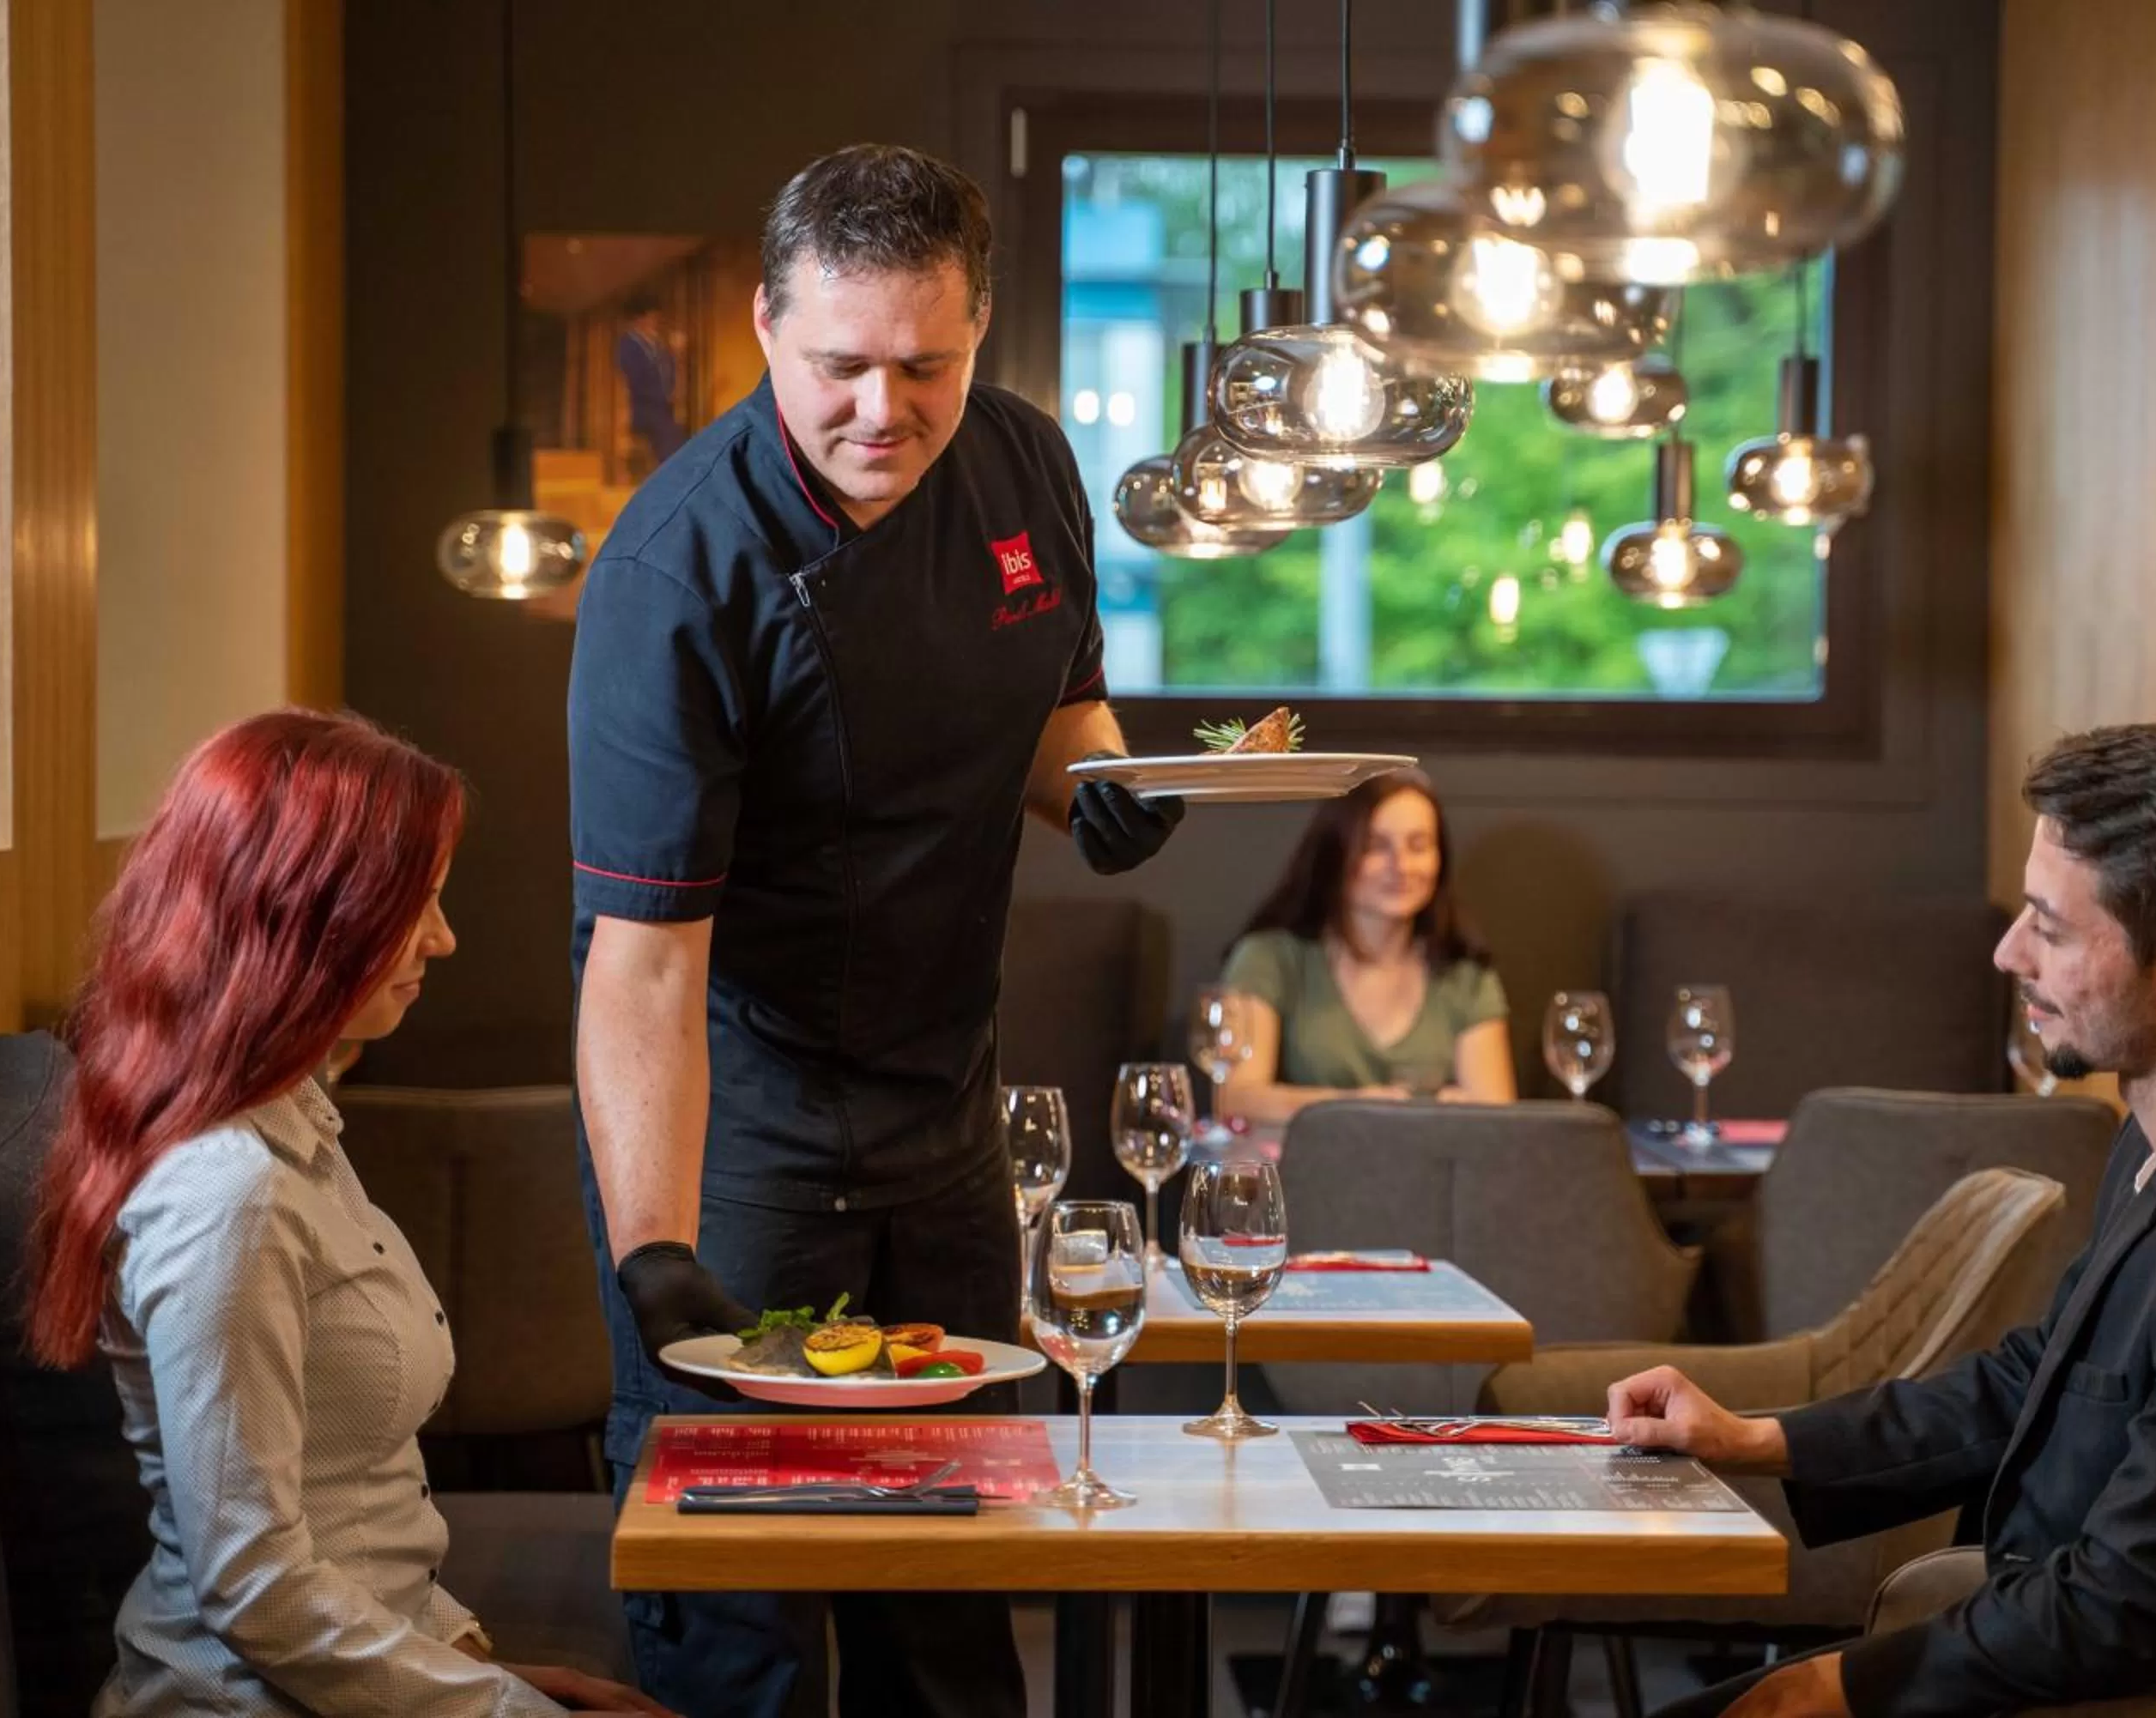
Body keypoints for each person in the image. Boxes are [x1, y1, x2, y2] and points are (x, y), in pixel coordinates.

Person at [566, 144, 1184, 1718]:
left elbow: (1057, 709)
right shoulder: (675, 567)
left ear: (981, 335)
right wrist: (654, 1245)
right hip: (749, 1136)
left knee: (959, 1592)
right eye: (840, 365)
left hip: (948, 1120)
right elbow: (642, 957)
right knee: (753, 1612)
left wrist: (1103, 785)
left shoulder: (1026, 467)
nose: (881, 410)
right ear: (768, 328)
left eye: (929, 366)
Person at [1610, 719, 2156, 1718]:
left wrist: (1839, 1684)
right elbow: (2047, 1372)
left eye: (2050, 927)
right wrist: (1753, 1437)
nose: (2006, 950)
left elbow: (2129, 1605)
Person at [25, 711, 671, 1718]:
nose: (446, 938)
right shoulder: (226, 1196)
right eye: (416, 903)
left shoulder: (295, 1129)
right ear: (303, 909)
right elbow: (257, 1588)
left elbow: (358, 1515)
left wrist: (479, 1666)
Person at [1218, 769, 1517, 1123]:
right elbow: (1236, 1099)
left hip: (1429, 1176)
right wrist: (1356, 1107)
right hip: (1303, 1175)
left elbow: (1500, 1121)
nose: (1401, 866)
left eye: (1418, 846)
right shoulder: (1267, 958)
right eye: (1376, 846)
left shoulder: (1466, 975)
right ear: (1335, 855)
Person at [615, 291, 687, 475]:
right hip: (645, 409)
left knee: (679, 443)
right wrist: (661, 397)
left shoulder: (657, 345)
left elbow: (667, 376)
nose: (655, 321)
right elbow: (635, 379)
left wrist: (675, 354)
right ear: (640, 318)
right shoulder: (628, 344)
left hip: (663, 410)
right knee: (672, 446)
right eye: (651, 316)